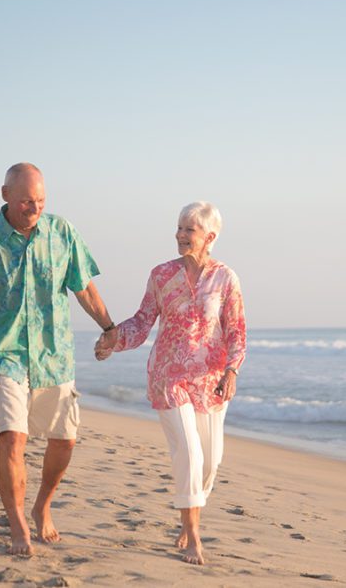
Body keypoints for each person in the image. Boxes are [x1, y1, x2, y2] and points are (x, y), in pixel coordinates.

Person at [0, 162, 117, 557]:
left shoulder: (62, 233)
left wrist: (109, 326)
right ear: (5, 196)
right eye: (25, 202)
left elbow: (83, 286)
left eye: (39, 202)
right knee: (12, 438)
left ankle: (42, 506)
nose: (33, 209)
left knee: (65, 441)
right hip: (4, 354)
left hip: (55, 356)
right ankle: (17, 523)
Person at [96, 201, 246, 566]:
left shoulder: (226, 278)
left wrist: (232, 371)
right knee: (190, 454)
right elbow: (143, 320)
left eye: (188, 230)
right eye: (179, 228)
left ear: (209, 237)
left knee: (211, 461)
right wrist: (113, 339)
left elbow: (236, 330)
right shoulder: (161, 275)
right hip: (168, 376)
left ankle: (189, 511)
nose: (180, 235)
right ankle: (192, 532)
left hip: (210, 380)